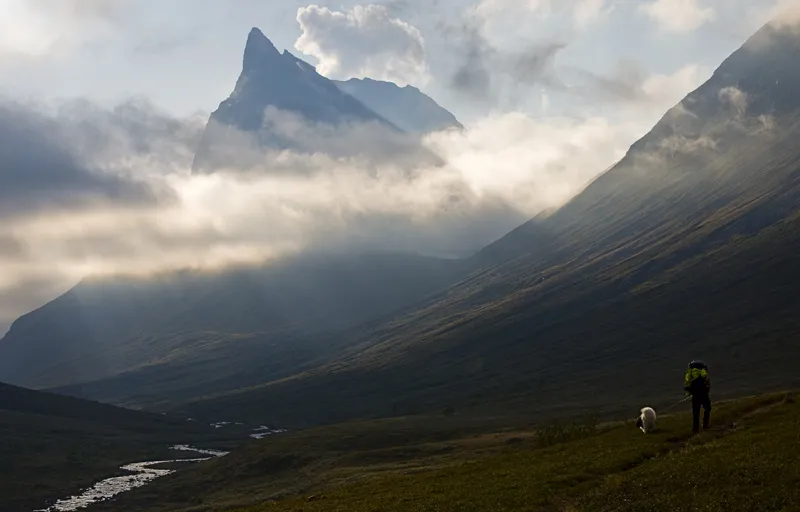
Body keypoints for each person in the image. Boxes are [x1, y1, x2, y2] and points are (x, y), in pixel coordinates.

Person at [684, 360, 712, 433]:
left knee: (696, 412)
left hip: (695, 395)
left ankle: (695, 429)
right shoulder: (703, 372)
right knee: (708, 408)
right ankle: (705, 425)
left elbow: (687, 385)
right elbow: (707, 382)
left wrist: (689, 393)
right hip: (703, 394)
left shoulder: (690, 375)